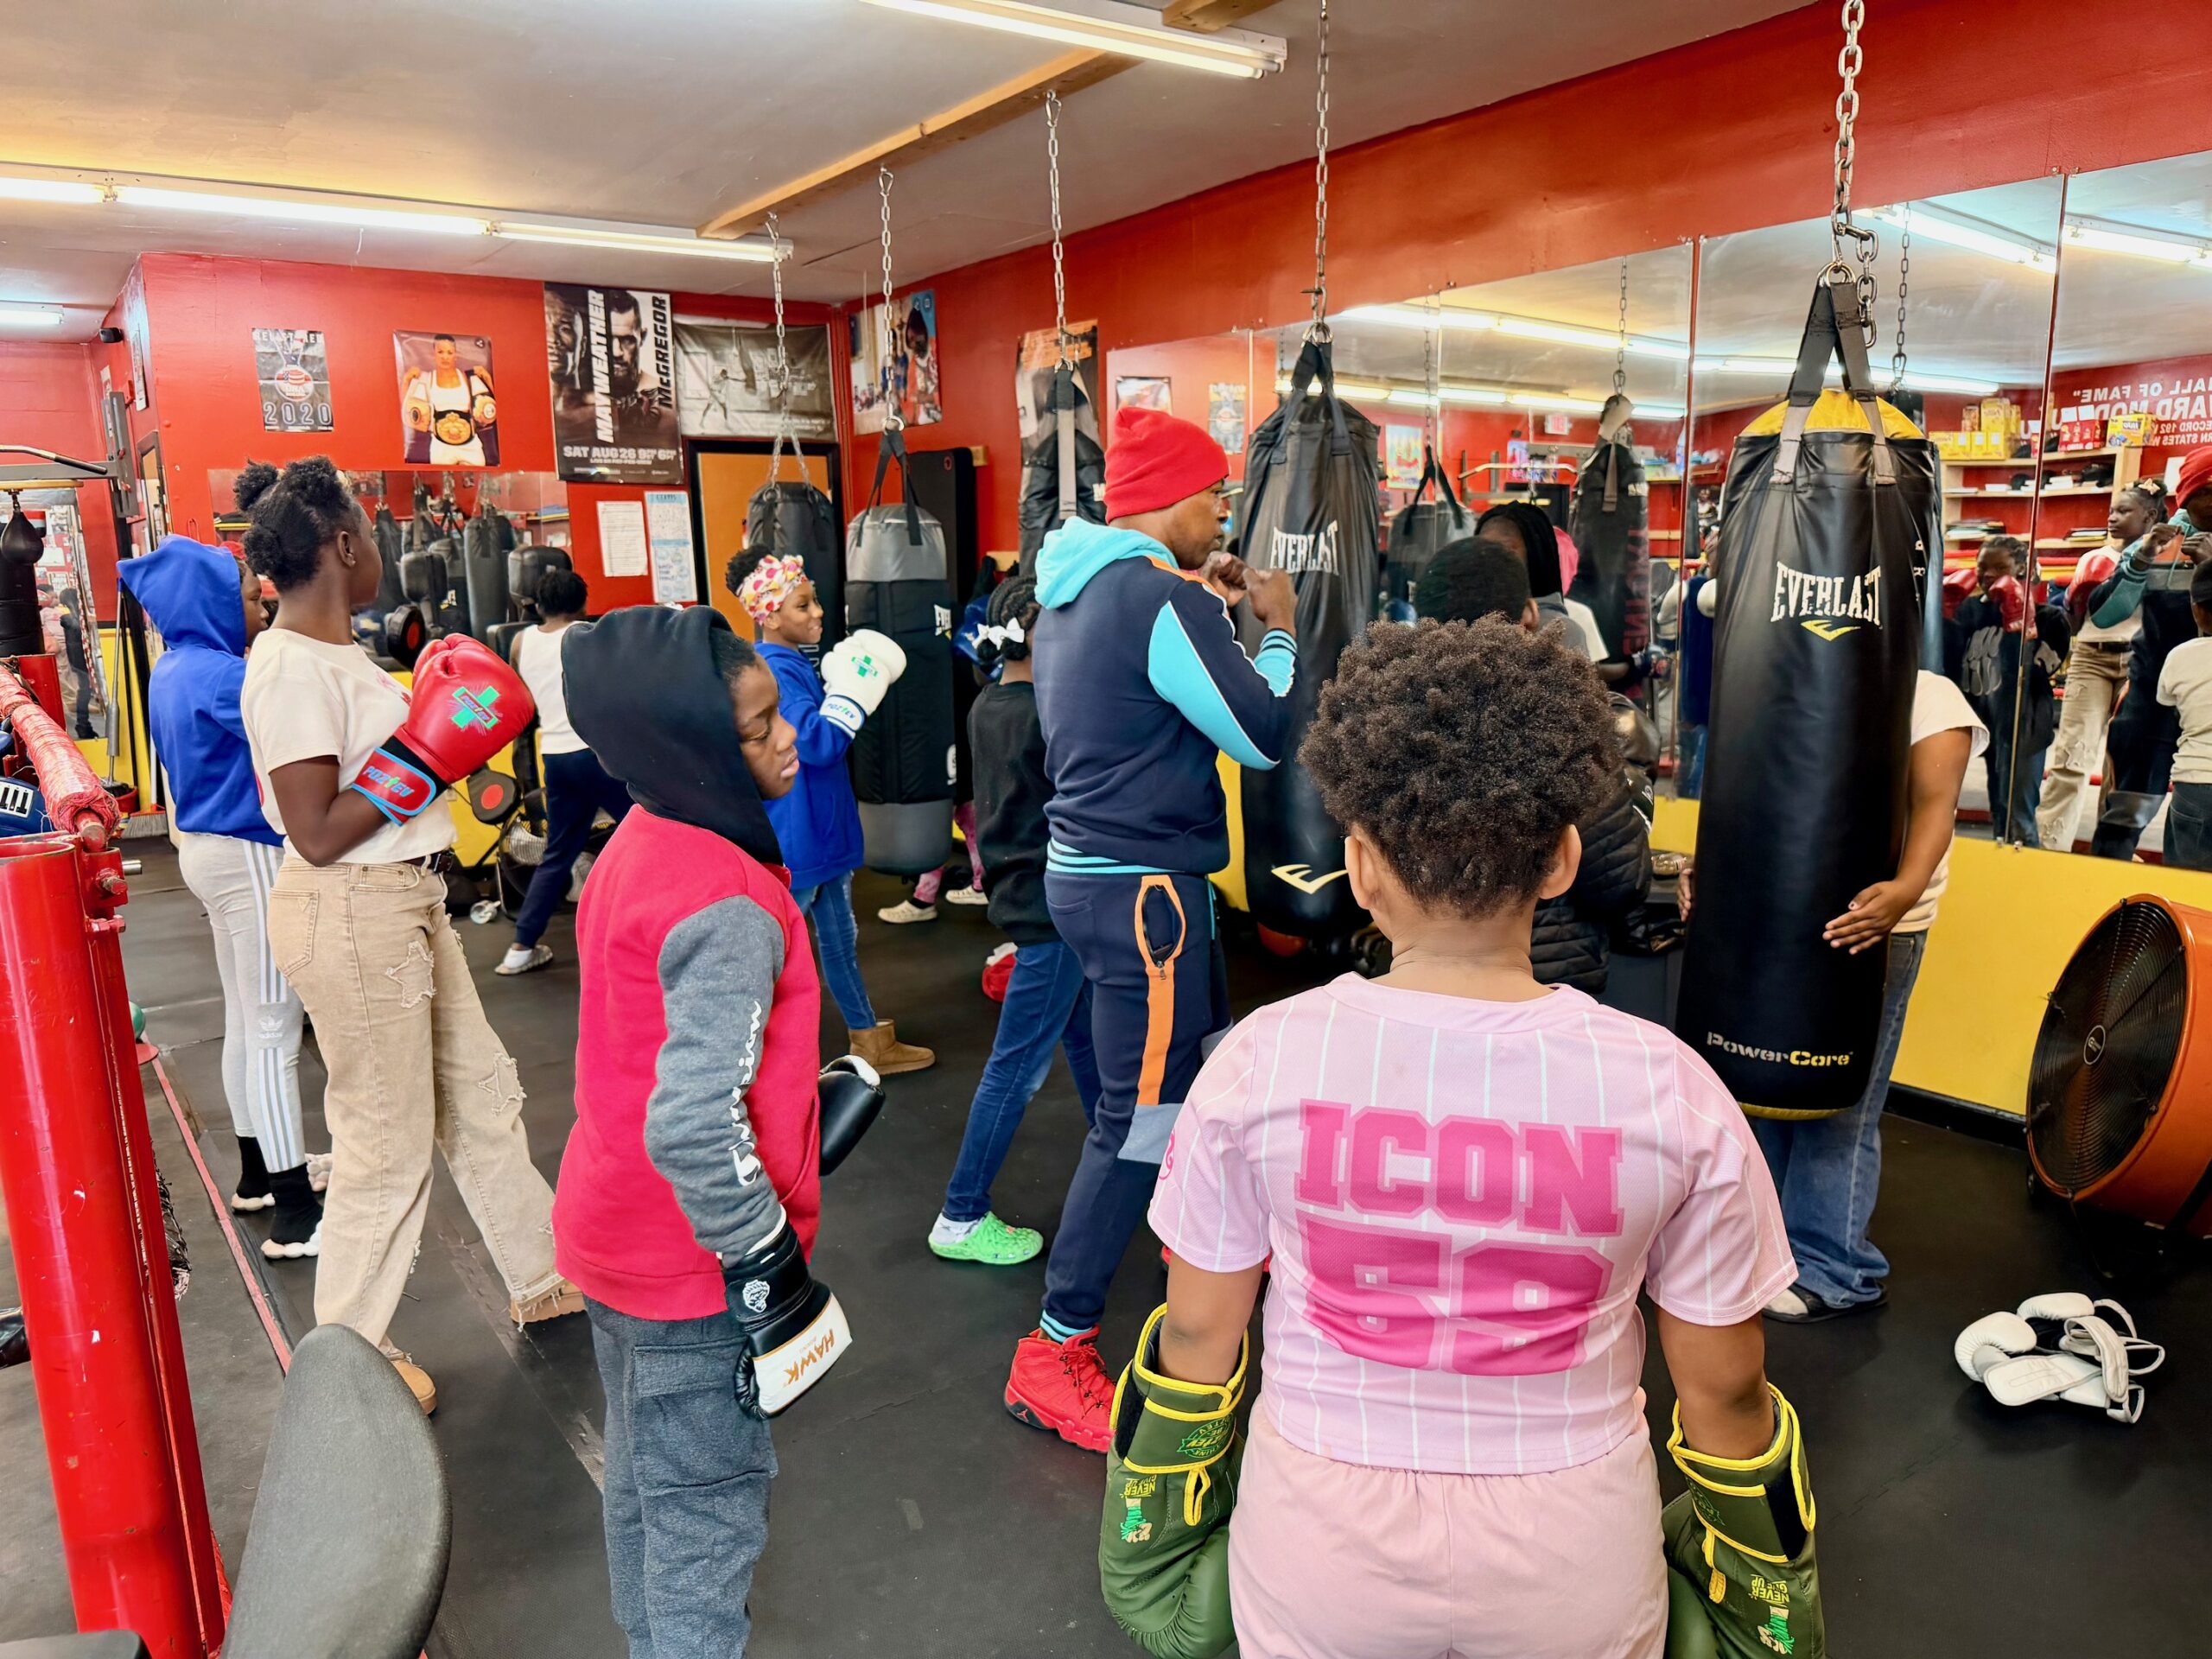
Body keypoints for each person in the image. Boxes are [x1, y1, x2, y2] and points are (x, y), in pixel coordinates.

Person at [1133, 618, 1800, 1659]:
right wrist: (1770, 1573)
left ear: (1359, 867)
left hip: (1319, 1549)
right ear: (1564, 860)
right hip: (1572, 1561)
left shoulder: (1260, 1060)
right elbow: (1724, 1393)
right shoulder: (1671, 1090)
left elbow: (1197, 1337)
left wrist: (1149, 1525)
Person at [234, 457, 578, 1414]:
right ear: (345, 544)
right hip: (350, 909)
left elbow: (392, 784)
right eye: (369, 532)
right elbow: (316, 829)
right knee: (384, 1139)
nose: (381, 550)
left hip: (406, 899)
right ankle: (349, 1358)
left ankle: (543, 1272)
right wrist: (428, 751)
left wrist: (438, 745)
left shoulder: (343, 653)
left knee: (480, 1095)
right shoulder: (288, 666)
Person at [1005, 404, 1299, 1450]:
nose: (1222, 514)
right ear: (1171, 497)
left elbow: (1140, 701)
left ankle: (1200, 1246)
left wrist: (1204, 612)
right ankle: (1054, 1349)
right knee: (1140, 1120)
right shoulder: (1157, 597)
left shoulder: (1075, 592)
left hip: (1108, 880)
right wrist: (1276, 628)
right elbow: (1263, 733)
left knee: (1205, 1076)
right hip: (1145, 897)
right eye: (1213, 494)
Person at [553, 603, 842, 1659]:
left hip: (610, 1237)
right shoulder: (726, 900)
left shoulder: (641, 839)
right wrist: (766, 1261)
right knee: (704, 1530)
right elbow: (690, 1123)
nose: (788, 739)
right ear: (692, 748)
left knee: (646, 1492)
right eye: (758, 728)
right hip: (692, 1272)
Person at [1681, 668, 1983, 1320]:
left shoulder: (1930, 695)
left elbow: (1936, 806)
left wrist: (1903, 892)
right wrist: (1710, 868)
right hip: (1778, 919)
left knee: (1843, 1103)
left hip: (1870, 929)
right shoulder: (1787, 674)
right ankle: (1768, 1252)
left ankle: (1837, 1271)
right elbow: (1748, 789)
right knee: (1765, 1086)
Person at [119, 536, 324, 1257]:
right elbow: (309, 731)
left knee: (245, 1017)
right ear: (210, 603)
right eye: (245, 596)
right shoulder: (222, 676)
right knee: (275, 1027)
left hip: (207, 852)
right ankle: (296, 1213)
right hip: (249, 855)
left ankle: (259, 1174)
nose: (260, 604)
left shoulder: (173, 668)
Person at [929, 576, 1101, 1267]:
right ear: (1035, 636)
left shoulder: (989, 704)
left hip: (1026, 896)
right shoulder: (1044, 717)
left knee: (1084, 1038)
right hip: (1050, 912)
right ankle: (961, 1213)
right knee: (1017, 1069)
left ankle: (1123, 1152)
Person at [728, 546, 933, 1075]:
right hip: (803, 837)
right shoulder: (775, 670)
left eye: (816, 600)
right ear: (770, 615)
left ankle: (869, 1040)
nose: (818, 612)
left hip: (822, 831)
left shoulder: (792, 663)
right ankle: (747, 1063)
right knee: (776, 954)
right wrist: (856, 696)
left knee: (840, 943)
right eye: (803, 605)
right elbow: (817, 743)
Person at [1414, 540, 1652, 994]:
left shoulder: (1390, 727)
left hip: (1424, 982)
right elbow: (1619, 883)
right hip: (1544, 983)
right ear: (1529, 614)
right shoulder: (1571, 727)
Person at [496, 569, 627, 975]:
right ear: (583, 603)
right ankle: (669, 922)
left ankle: (520, 949)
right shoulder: (589, 635)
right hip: (597, 754)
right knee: (649, 831)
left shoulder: (521, 642)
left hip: (555, 758)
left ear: (537, 605)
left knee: (558, 853)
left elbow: (520, 695)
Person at [2087, 446, 2212, 857]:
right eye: (2208, 491)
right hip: (2151, 695)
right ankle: (2103, 889)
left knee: (2202, 821)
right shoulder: (2160, 541)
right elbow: (2104, 615)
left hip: (2207, 704)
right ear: (2188, 494)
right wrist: (2140, 559)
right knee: (2125, 813)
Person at [2039, 485, 2164, 849]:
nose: (2112, 518)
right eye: (2111, 510)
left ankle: (2108, 856)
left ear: (2149, 517)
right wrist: (2073, 601)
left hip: (2138, 661)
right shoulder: (2093, 558)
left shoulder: (2165, 560)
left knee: (2119, 765)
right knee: (2071, 756)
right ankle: (2048, 850)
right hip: (2091, 657)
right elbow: (2076, 626)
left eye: (2123, 511)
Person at [1952, 537, 2068, 843]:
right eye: (1982, 567)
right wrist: (1944, 619)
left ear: (2021, 570)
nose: (1988, 574)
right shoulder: (1969, 610)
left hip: (2024, 726)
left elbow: (2034, 675)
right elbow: (1948, 666)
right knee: (2000, 811)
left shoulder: (2049, 618)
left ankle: (2028, 869)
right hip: (1984, 722)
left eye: (2000, 567)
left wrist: (2019, 623)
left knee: (2019, 815)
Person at [2157, 558, 2212, 869]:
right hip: (2195, 784)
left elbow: (2167, 707)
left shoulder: (2180, 657)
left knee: (2187, 887)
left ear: (2197, 610)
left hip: (2195, 783)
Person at [400, 334, 495, 467]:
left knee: (477, 478)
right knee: (444, 478)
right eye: (440, 352)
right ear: (434, 354)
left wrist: (487, 379)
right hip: (441, 446)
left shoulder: (469, 378)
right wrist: (406, 381)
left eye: (450, 352)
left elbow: (492, 410)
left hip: (470, 445)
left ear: (455, 355)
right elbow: (406, 412)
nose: (445, 357)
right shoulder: (425, 379)